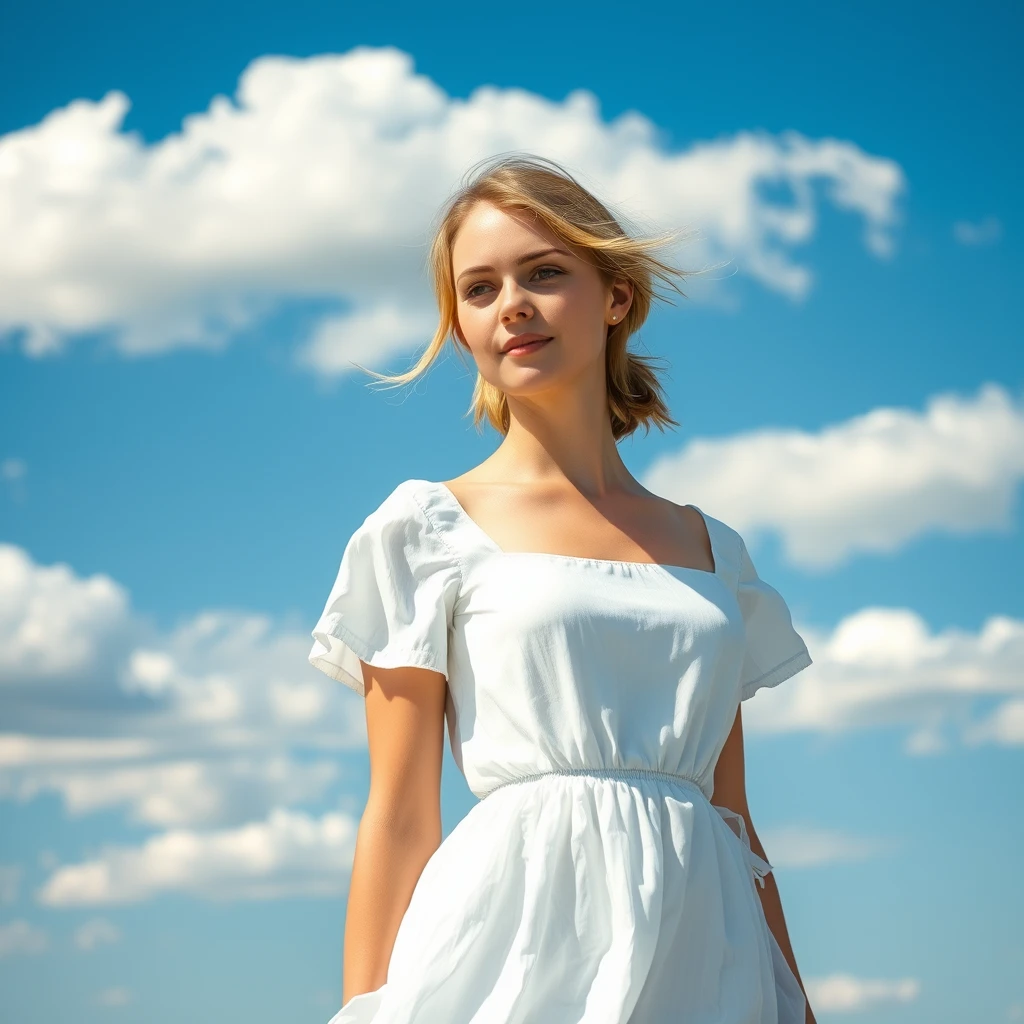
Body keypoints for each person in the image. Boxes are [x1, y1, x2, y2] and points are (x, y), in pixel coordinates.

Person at [308, 154, 817, 1023]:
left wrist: (795, 1003)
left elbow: (730, 816)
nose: (511, 304)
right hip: (516, 948)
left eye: (544, 273)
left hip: (707, 952)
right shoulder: (424, 530)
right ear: (460, 326)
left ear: (615, 296)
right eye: (479, 288)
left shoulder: (712, 549)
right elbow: (397, 815)